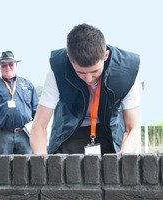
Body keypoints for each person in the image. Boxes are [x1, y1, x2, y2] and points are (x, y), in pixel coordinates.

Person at [30, 23, 140, 155]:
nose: (88, 79)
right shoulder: (57, 70)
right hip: (69, 132)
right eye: (81, 72)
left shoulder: (127, 72)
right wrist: (41, 160)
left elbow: (132, 127)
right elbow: (39, 125)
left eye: (94, 71)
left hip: (109, 131)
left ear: (105, 56)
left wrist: (126, 152)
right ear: (70, 60)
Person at [0, 51, 39, 154]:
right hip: (2, 136)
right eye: (4, 65)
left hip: (25, 134)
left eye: (11, 64)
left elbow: (37, 112)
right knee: (2, 168)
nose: (8, 67)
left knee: (26, 168)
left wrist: (38, 133)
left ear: (16, 65)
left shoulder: (28, 85)